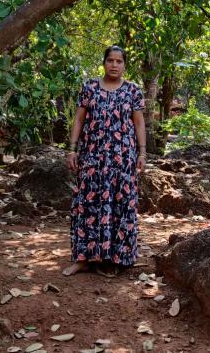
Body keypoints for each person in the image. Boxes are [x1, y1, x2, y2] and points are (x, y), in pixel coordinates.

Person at [64, 45, 147, 277]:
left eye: (119, 61)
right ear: (104, 62)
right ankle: (84, 259)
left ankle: (115, 259)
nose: (114, 65)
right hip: (92, 157)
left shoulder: (133, 91)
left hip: (122, 159)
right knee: (87, 205)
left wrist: (142, 153)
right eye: (110, 60)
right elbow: (79, 120)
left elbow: (139, 124)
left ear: (124, 65)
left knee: (120, 205)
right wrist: (72, 150)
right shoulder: (89, 88)